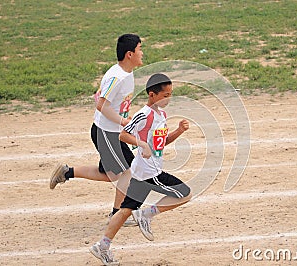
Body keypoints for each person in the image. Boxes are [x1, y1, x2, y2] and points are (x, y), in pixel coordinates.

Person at [89, 73, 192, 265]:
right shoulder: (145, 114)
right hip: (149, 173)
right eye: (165, 95)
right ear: (152, 95)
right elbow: (123, 135)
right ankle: (146, 214)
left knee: (124, 210)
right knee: (185, 193)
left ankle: (101, 246)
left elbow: (160, 144)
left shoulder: (161, 115)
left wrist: (178, 131)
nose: (168, 98)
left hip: (143, 171)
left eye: (170, 94)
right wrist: (142, 145)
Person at [50, 34, 143, 225]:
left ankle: (66, 172)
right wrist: (123, 122)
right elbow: (101, 104)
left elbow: (100, 96)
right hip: (106, 133)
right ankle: (117, 215)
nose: (142, 53)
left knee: (112, 175)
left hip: (110, 132)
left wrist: (125, 118)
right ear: (129, 54)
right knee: (128, 171)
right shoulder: (118, 76)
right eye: (140, 49)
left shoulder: (126, 72)